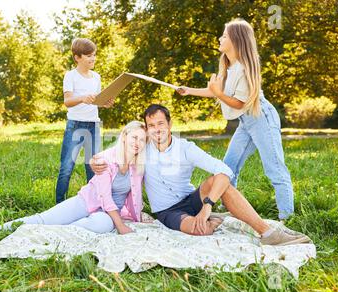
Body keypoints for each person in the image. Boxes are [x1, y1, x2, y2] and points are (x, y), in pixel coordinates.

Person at [90, 105, 311, 245]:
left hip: (192, 199)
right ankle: (216, 220)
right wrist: (95, 160)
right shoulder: (142, 146)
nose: (156, 129)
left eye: (160, 124)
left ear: (169, 124)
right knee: (200, 231)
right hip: (167, 211)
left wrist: (207, 205)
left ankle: (267, 233)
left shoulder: (186, 148)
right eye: (151, 126)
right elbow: (114, 152)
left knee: (220, 182)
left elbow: (225, 171)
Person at [177, 19, 294, 221]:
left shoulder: (245, 67)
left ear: (236, 40)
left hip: (261, 118)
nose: (220, 38)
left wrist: (217, 92)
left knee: (274, 167)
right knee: (228, 167)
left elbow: (238, 102)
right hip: (246, 122)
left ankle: (287, 216)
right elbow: (215, 92)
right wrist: (188, 91)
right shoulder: (228, 65)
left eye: (224, 35)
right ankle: (232, 207)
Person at [0, 121, 147, 241]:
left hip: (106, 215)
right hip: (87, 202)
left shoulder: (137, 167)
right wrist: (121, 226)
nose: (137, 143)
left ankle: (56, 231)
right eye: (134, 137)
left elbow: (135, 197)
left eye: (142, 140)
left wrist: (137, 218)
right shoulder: (104, 159)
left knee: (103, 225)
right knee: (42, 219)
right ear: (124, 136)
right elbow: (105, 198)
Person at [56, 38, 114, 204]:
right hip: (75, 125)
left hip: (93, 126)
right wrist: (82, 98)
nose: (93, 59)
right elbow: (67, 101)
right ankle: (60, 204)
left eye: (94, 55)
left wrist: (105, 103)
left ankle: (93, 203)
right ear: (77, 57)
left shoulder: (96, 77)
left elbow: (95, 101)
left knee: (93, 168)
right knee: (67, 167)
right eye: (89, 56)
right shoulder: (70, 76)